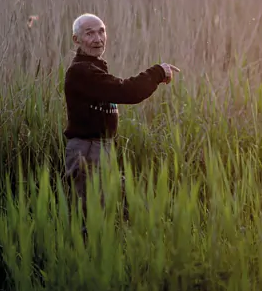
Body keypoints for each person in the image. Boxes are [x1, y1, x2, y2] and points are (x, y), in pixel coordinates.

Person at [63, 12, 178, 218]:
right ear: (76, 40)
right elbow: (126, 91)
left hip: (100, 148)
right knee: (90, 217)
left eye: (102, 31)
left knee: (121, 205)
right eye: (89, 33)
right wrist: (157, 72)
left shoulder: (94, 68)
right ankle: (86, 248)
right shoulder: (81, 72)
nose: (98, 38)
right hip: (87, 150)